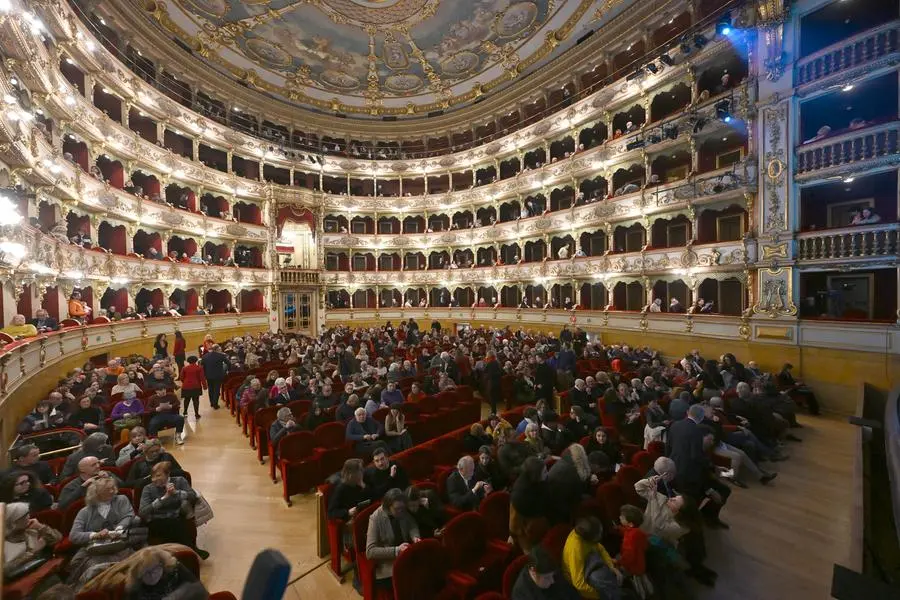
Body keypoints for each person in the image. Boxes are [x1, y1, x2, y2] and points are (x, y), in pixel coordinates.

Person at [667, 404, 731, 528]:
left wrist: (716, 469)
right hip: (688, 480)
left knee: (724, 490)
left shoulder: (674, 425)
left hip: (675, 472)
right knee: (722, 491)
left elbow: (668, 449)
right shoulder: (696, 432)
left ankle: (707, 516)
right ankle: (699, 521)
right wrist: (710, 490)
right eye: (710, 439)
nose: (712, 442)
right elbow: (696, 462)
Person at [68, 476, 138, 585]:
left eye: (113, 488)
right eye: (107, 489)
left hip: (120, 543)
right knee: (80, 564)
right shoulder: (84, 512)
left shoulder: (121, 499)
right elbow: (74, 536)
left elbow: (129, 515)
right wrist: (95, 535)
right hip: (95, 548)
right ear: (96, 493)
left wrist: (118, 529)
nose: (112, 491)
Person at [139, 461, 209, 560]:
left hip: (176, 516)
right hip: (157, 520)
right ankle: (191, 550)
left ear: (168, 474)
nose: (154, 479)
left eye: (158, 475)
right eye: (153, 476)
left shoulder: (180, 481)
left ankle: (178, 555)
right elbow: (142, 511)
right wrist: (163, 498)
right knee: (174, 525)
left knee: (176, 523)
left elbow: (193, 496)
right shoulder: (148, 489)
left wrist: (177, 492)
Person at [365, 488, 420, 591]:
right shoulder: (375, 518)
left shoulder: (402, 509)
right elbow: (370, 551)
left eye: (402, 508)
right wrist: (396, 550)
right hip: (388, 563)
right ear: (387, 507)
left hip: (405, 555)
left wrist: (415, 537)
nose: (401, 511)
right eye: (397, 509)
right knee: (410, 580)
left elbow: (412, 524)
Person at [562, 516, 622, 599]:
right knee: (600, 580)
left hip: (590, 562)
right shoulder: (575, 549)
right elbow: (578, 584)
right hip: (580, 580)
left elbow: (600, 548)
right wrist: (600, 595)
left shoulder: (585, 534)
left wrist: (611, 566)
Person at [3, 502, 62, 582]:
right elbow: (5, 570)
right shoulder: (4, 543)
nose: (29, 517)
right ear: (13, 522)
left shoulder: (31, 531)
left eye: (28, 513)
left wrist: (41, 527)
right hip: (18, 581)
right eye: (24, 516)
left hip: (40, 572)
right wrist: (32, 552)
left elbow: (57, 538)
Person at [120, 546, 208, 599]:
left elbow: (198, 588)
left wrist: (176, 596)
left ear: (163, 564)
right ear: (138, 575)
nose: (152, 575)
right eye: (146, 573)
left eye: (155, 569)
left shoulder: (175, 569)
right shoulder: (135, 588)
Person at [509, 456, 550, 553]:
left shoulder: (542, 483)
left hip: (542, 526)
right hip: (527, 534)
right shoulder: (519, 495)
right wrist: (512, 535)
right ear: (535, 475)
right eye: (544, 472)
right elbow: (515, 522)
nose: (547, 473)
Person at [512, 545, 581, 600]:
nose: (552, 581)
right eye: (547, 577)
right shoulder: (521, 594)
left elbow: (572, 593)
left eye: (552, 575)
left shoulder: (553, 572)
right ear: (533, 572)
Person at [618, 504, 653, 599]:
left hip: (633, 566)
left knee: (638, 584)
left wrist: (619, 561)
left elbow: (629, 555)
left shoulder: (631, 536)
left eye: (622, 517)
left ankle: (642, 596)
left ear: (630, 524)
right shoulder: (637, 532)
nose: (620, 517)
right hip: (640, 562)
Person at [200, 344, 229, 409]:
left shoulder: (205, 356)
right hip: (218, 375)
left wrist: (205, 374)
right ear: (217, 349)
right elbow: (228, 363)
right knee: (216, 389)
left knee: (210, 389)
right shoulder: (221, 355)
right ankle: (215, 404)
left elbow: (202, 366)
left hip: (208, 376)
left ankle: (212, 403)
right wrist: (227, 370)